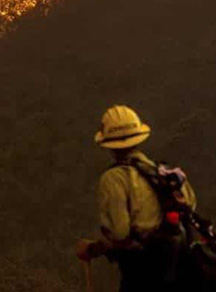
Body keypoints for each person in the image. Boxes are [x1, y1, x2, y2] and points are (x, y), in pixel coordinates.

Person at [75, 105, 197, 292]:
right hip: (181, 271)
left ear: (107, 143)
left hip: (142, 275)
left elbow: (119, 233)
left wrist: (92, 249)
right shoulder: (163, 172)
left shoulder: (113, 179)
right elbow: (191, 204)